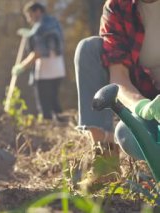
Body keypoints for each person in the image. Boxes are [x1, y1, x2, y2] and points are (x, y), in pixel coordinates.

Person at [75, 0, 160, 188]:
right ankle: (105, 161)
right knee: (90, 48)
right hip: (145, 96)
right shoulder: (119, 7)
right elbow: (119, 77)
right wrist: (143, 106)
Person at [11, 2, 66, 121]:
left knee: (45, 106)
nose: (29, 19)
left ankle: (49, 130)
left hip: (44, 71)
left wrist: (22, 66)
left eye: (29, 15)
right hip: (58, 68)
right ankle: (63, 128)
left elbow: (38, 52)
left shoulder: (39, 27)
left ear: (37, 12)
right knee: (55, 102)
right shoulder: (54, 23)